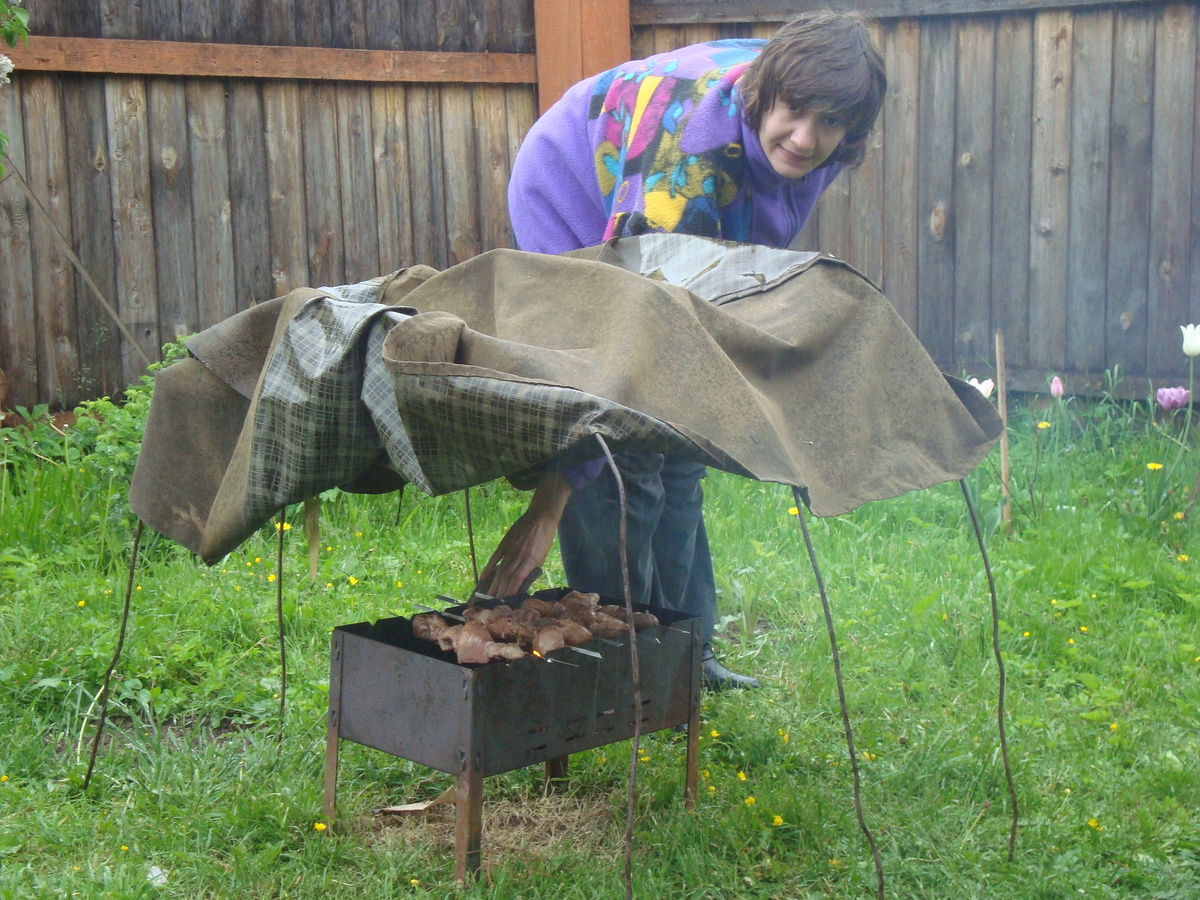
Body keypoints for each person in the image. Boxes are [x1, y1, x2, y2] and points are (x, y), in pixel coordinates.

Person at [477, 11, 886, 690]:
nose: (807, 137)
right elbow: (616, 353)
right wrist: (548, 504)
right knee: (628, 459)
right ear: (765, 92)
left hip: (673, 192)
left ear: (852, 127)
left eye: (831, 123)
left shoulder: (813, 116)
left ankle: (689, 656)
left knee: (683, 447)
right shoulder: (684, 180)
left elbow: (737, 272)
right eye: (794, 113)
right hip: (575, 189)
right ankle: (624, 666)